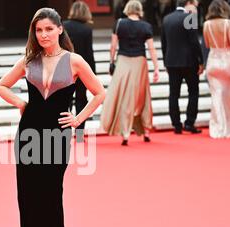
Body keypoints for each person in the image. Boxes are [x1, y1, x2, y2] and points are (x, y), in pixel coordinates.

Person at [0, 8, 105, 227]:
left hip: (56, 137)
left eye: (47, 29)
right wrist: (20, 104)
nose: (43, 35)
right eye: (38, 30)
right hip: (29, 137)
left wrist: (78, 118)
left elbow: (100, 93)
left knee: (51, 203)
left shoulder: (74, 61)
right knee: (29, 203)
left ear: (59, 30)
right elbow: (2, 86)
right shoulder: (28, 61)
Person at [100, 0, 159, 146]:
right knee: (142, 95)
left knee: (122, 95)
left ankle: (125, 133)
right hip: (140, 62)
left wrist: (111, 62)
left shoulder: (119, 23)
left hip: (123, 61)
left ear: (127, 9)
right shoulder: (146, 26)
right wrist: (156, 67)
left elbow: (113, 46)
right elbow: (151, 49)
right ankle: (145, 130)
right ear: (139, 10)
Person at [161, 0, 204, 135]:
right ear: (188, 3)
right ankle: (189, 123)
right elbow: (194, 41)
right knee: (193, 92)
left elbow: (164, 43)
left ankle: (177, 125)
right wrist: (201, 60)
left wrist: (165, 62)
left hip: (172, 62)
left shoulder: (167, 19)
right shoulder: (190, 17)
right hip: (189, 62)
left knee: (173, 94)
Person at [203, 0, 230, 139]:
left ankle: (217, 127)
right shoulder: (228, 23)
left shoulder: (206, 25)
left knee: (216, 96)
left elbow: (207, 44)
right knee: (228, 96)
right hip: (227, 61)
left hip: (213, 61)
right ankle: (229, 127)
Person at [63, 1, 96, 142]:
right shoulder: (86, 30)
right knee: (81, 99)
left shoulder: (63, 25)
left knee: (65, 101)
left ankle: (64, 133)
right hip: (82, 69)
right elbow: (89, 53)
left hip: (64, 68)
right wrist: (92, 73)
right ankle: (80, 134)